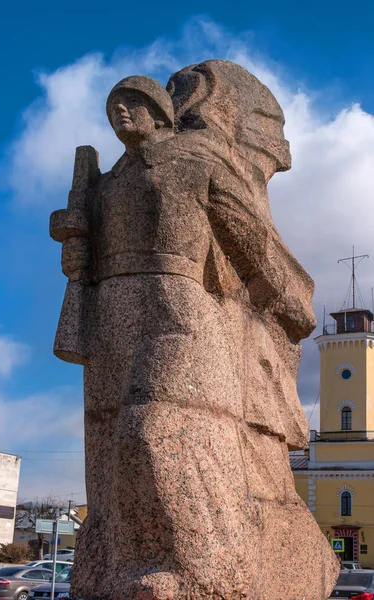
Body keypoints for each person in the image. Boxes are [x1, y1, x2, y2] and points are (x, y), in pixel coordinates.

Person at [53, 66, 338, 600]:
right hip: (111, 314)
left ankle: (208, 567)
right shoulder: (107, 184)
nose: (119, 112)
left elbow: (249, 240)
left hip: (179, 306)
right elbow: (86, 255)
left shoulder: (197, 160)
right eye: (114, 103)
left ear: (162, 112)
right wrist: (74, 246)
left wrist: (286, 301)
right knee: (110, 442)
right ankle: (119, 559)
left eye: (132, 101)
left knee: (156, 428)